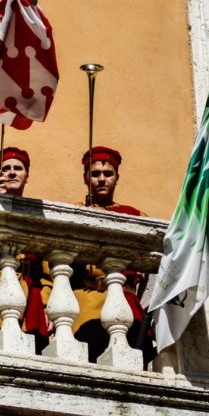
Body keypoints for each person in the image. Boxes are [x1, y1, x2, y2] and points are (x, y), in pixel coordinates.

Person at [0, 147, 51, 346]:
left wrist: (48, 305)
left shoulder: (39, 216)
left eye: (18, 168)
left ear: (26, 176)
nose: (12, 172)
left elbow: (49, 273)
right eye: (5, 169)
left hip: (28, 288)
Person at [73, 146, 149, 362]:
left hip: (127, 301)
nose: (102, 179)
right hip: (90, 300)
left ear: (117, 177)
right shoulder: (76, 211)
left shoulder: (136, 215)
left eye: (108, 174)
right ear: (86, 178)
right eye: (95, 174)